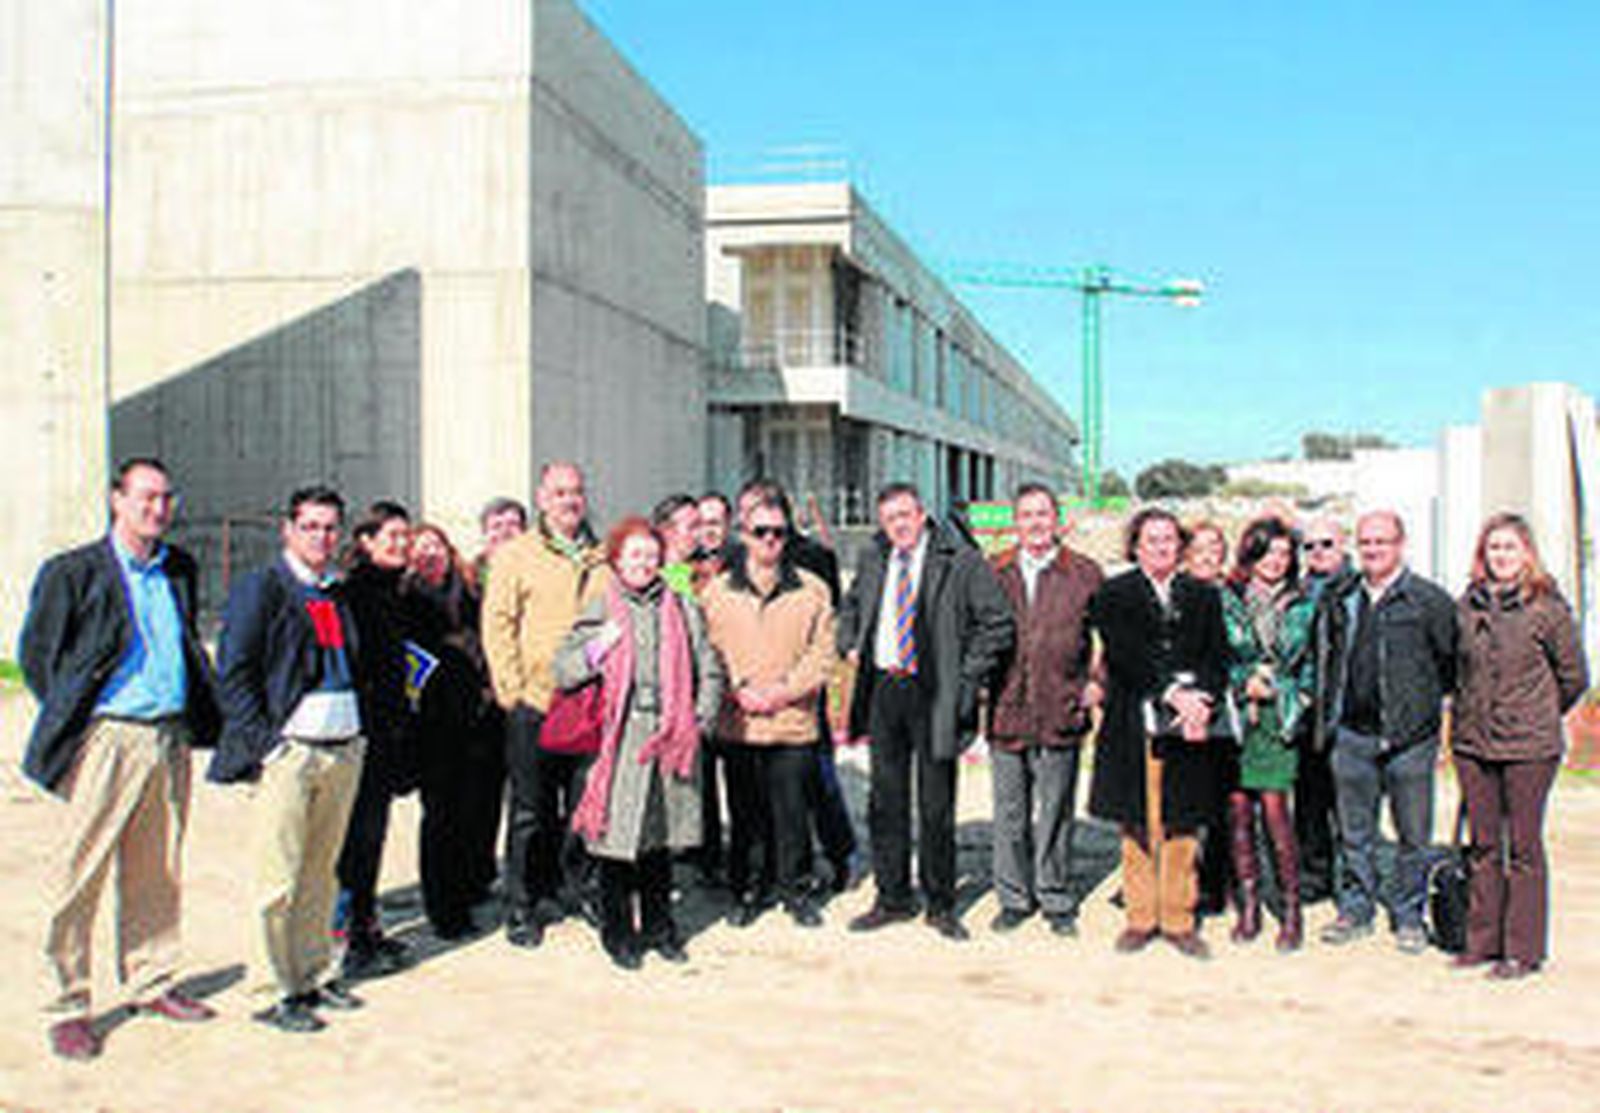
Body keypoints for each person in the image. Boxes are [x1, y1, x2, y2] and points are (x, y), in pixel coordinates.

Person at [18, 458, 221, 1060]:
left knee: (157, 869)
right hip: (107, 737)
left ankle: (151, 981)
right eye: (145, 497)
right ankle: (68, 1005)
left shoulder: (178, 567)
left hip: (167, 736)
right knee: (80, 873)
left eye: (165, 498)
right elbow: (38, 656)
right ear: (117, 500)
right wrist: (79, 719)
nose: (157, 509)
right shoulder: (73, 571)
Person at [210, 486, 375, 1033]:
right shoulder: (264, 588)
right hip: (291, 753)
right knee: (276, 876)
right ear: (288, 529)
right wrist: (267, 744)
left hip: (341, 750)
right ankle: (269, 988)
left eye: (330, 528)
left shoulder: (338, 592)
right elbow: (234, 672)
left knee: (320, 873)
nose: (321, 537)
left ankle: (311, 974)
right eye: (310, 526)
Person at [840, 482, 1014, 941]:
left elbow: (997, 623)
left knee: (936, 805)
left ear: (922, 516)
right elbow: (852, 604)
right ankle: (892, 897)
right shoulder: (874, 558)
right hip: (884, 690)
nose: (898, 525)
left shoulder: (960, 560)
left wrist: (967, 677)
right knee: (886, 801)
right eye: (889, 518)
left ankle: (941, 904)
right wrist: (849, 642)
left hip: (936, 692)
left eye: (905, 515)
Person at [553, 518, 724, 969]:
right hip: (621, 737)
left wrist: (701, 718)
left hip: (671, 733)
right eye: (635, 554)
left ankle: (660, 928)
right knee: (615, 843)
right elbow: (564, 668)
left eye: (651, 554)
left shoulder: (681, 605)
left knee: (658, 841)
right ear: (616, 560)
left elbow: (708, 665)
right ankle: (618, 933)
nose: (644, 563)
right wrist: (598, 649)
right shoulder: (603, 604)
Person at [1312, 509, 1457, 953]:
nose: (1373, 550)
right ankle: (1356, 909)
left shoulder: (1428, 600)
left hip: (1409, 740)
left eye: (1382, 541)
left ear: (1400, 544)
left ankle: (1409, 915)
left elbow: (1450, 665)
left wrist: (1431, 721)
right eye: (1366, 542)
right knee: (1354, 833)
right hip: (1351, 736)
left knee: (1413, 835)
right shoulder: (1341, 597)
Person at [1451, 513, 1588, 978]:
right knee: (1484, 845)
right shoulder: (1467, 606)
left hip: (1529, 745)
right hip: (1474, 743)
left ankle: (1523, 950)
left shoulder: (1547, 608)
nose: (1501, 556)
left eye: (1509, 547)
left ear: (1526, 552)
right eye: (1493, 548)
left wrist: (1538, 712)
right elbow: (1457, 670)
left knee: (1524, 848)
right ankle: (1482, 941)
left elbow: (1574, 677)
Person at [1088, 508, 1229, 959]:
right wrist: (1173, 693)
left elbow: (1217, 657)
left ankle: (1178, 919)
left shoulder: (1203, 595)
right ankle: (1141, 917)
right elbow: (1126, 654)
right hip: (1133, 722)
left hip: (1189, 725)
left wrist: (1203, 701)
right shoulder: (1114, 594)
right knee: (1136, 822)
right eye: (1152, 539)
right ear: (1135, 546)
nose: (1162, 546)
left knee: (1182, 819)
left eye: (1169, 539)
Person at [482, 462, 608, 948]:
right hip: (536, 702)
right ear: (541, 498)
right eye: (559, 493)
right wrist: (512, 691)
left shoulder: (602, 556)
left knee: (584, 806)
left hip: (589, 702)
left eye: (576, 492)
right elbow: (498, 622)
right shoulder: (517, 554)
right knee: (530, 811)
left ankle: (578, 889)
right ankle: (522, 902)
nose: (569, 501)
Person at [703, 494, 837, 929]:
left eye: (778, 532)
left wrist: (783, 692)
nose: (770, 540)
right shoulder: (718, 592)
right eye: (760, 531)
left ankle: (794, 889)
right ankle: (746, 889)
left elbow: (823, 654)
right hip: (739, 723)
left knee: (792, 814)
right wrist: (736, 690)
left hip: (792, 722)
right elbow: (707, 652)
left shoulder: (812, 590)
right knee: (745, 814)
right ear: (744, 535)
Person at [986, 485, 1103, 937]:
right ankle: (1014, 897)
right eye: (1027, 515)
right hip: (1007, 706)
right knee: (1010, 812)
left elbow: (1114, 636)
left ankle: (1055, 895)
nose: (1035, 523)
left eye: (1043, 514)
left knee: (1055, 809)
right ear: (1015, 522)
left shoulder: (1084, 573)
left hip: (1061, 705)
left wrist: (1098, 682)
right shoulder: (995, 571)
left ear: (1057, 520)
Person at [1220, 517, 1316, 951]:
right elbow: (1216, 655)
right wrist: (1243, 683)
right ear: (1251, 554)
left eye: (1284, 553)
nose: (1276, 561)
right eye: (1268, 552)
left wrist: (1290, 692)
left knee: (1276, 812)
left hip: (1280, 715)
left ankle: (1291, 908)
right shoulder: (1228, 599)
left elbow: (1313, 663)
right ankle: (1250, 905)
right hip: (1238, 715)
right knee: (1239, 814)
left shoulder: (1303, 603)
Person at [332, 502, 417, 979]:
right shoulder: (355, 594)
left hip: (386, 734)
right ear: (366, 541)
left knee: (371, 836)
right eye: (392, 536)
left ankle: (366, 927)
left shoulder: (394, 592)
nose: (401, 544)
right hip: (361, 732)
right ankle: (345, 936)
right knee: (353, 841)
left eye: (406, 536)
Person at [406, 522, 501, 938]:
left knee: (475, 810)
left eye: (437, 546)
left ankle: (472, 886)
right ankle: (444, 909)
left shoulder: (470, 594)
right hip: (433, 724)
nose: (431, 554)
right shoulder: (406, 600)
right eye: (421, 548)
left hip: (478, 717)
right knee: (441, 817)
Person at [1294, 513, 1352, 903]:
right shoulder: (1298, 592)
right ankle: (1315, 877)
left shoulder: (1359, 590)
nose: (1317, 551)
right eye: (1309, 545)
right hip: (1305, 715)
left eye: (1326, 544)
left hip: (1346, 715)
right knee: (1309, 804)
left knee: (1350, 808)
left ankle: (1353, 882)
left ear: (1342, 545)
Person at [652, 493, 703, 598]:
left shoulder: (704, 571)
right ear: (667, 531)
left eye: (700, 525)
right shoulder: (650, 578)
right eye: (692, 527)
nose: (700, 533)